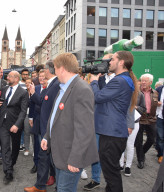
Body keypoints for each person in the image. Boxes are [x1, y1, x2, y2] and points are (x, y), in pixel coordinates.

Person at [42, 53, 98, 192]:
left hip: (70, 157)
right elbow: (54, 116)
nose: (54, 72)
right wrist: (46, 137)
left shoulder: (81, 89)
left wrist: (76, 159)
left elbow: (84, 129)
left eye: (54, 68)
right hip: (60, 153)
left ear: (62, 69)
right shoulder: (64, 87)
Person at [90, 51, 138, 192]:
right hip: (111, 132)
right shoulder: (124, 79)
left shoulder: (120, 81)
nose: (109, 62)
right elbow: (105, 96)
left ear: (121, 62)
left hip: (112, 134)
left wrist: (93, 81)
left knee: (111, 174)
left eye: (112, 59)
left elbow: (97, 97)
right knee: (111, 173)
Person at [24, 60, 60, 192]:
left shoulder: (55, 84)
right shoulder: (51, 84)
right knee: (43, 157)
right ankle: (40, 186)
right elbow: (41, 101)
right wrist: (33, 93)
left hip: (51, 129)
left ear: (49, 71)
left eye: (44, 69)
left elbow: (46, 105)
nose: (43, 72)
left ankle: (59, 186)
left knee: (53, 159)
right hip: (46, 128)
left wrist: (34, 93)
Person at [83, 53, 114, 190]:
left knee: (108, 156)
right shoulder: (100, 79)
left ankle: (110, 182)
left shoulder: (120, 79)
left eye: (107, 61)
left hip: (111, 125)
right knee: (94, 152)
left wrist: (129, 124)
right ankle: (96, 179)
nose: (103, 64)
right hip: (94, 122)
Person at [0, 71, 28, 184]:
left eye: (9, 76)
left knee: (15, 147)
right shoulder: (4, 89)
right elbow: (2, 103)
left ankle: (12, 163)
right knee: (4, 146)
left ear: (16, 78)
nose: (7, 78)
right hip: (3, 122)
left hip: (15, 124)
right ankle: (8, 171)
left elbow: (23, 111)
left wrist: (17, 125)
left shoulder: (23, 93)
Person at [119, 89, 146, 176]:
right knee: (121, 144)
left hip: (134, 122)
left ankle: (128, 167)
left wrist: (136, 107)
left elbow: (143, 109)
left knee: (130, 145)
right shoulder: (121, 91)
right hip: (122, 122)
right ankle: (120, 164)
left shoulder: (139, 94)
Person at [135, 73, 158, 169]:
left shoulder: (155, 93)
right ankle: (140, 160)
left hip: (151, 119)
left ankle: (141, 153)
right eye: (142, 80)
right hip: (140, 118)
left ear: (151, 82)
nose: (143, 82)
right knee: (138, 141)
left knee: (151, 139)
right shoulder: (137, 93)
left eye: (145, 81)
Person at [29, 69, 47, 174]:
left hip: (45, 120)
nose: (41, 78)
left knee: (44, 144)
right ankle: (36, 163)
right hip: (36, 119)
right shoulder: (35, 88)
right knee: (36, 143)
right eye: (40, 76)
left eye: (43, 76)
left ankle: (45, 166)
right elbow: (31, 104)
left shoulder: (50, 89)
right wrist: (30, 118)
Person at [156, 84, 164, 163]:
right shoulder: (159, 89)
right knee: (160, 137)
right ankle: (161, 154)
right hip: (160, 116)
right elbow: (153, 100)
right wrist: (156, 102)